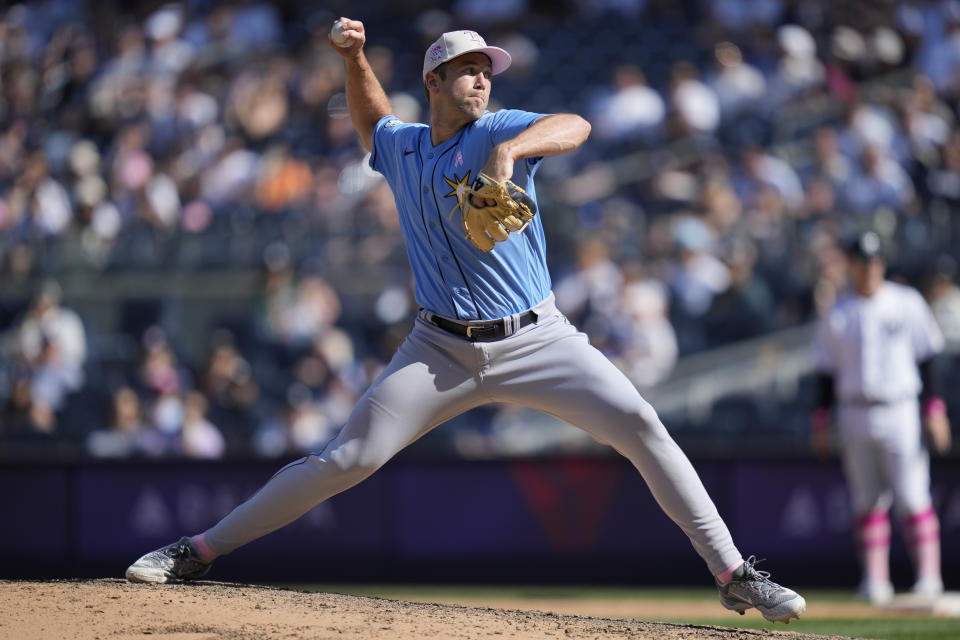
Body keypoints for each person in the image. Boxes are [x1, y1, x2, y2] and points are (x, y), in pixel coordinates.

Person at [124, 20, 806, 623]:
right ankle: (196, 550)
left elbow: (577, 124)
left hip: (539, 339)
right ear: (435, 80)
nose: (481, 79)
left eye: (486, 70)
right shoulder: (404, 147)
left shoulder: (498, 130)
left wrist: (510, 156)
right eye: (468, 69)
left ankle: (734, 575)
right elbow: (371, 122)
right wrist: (354, 58)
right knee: (345, 459)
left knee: (640, 426)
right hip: (439, 348)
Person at [811, 230, 951, 606]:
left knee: (911, 495)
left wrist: (934, 409)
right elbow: (824, 373)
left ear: (881, 264)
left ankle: (929, 579)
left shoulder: (905, 302)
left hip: (899, 408)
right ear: (852, 265)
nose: (869, 268)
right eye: (862, 261)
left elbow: (929, 357)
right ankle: (875, 581)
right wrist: (821, 420)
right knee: (866, 500)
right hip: (854, 411)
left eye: (874, 261)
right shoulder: (838, 311)